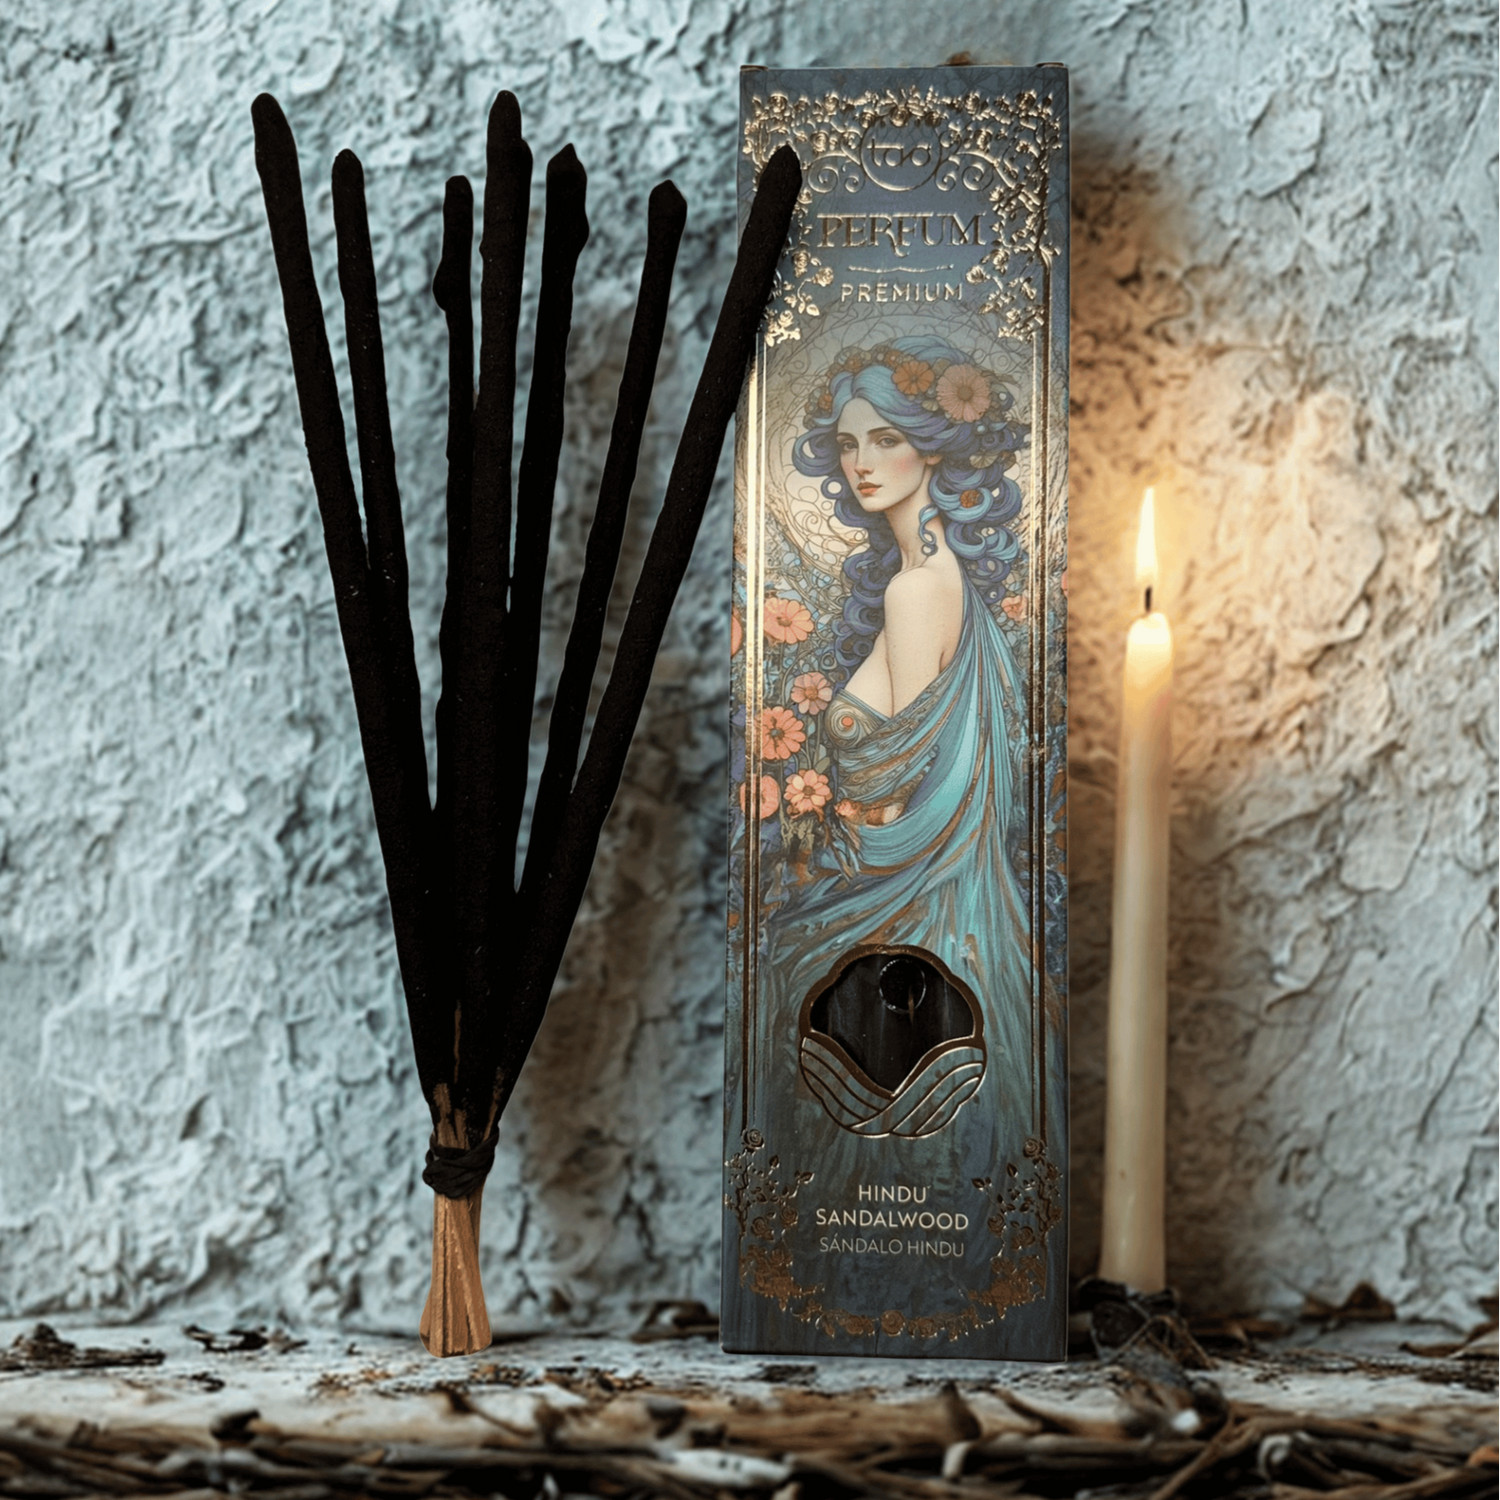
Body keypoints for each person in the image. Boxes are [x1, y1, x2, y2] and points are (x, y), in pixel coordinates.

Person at [770, 335, 1033, 1140]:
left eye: (886, 438)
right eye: (848, 444)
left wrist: (835, 835)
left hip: (915, 902)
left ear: (935, 444)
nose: (861, 461)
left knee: (784, 969)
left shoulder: (919, 590)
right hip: (912, 897)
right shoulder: (927, 577)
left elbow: (910, 775)